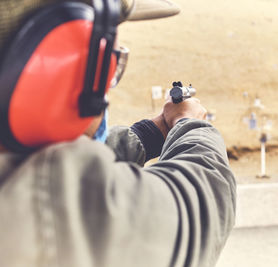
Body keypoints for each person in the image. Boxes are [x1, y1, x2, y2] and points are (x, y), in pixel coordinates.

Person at [0, 0, 236, 267]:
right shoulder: (46, 202)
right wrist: (189, 123)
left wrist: (148, 135)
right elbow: (201, 202)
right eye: (99, 63)